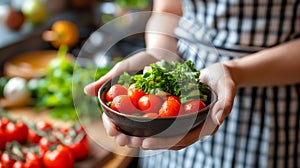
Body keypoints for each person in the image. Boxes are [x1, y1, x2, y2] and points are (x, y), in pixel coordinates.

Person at [84, 0, 300, 167]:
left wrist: (235, 71)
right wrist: (159, 53)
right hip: (184, 81)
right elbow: (168, 10)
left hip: (271, 106)